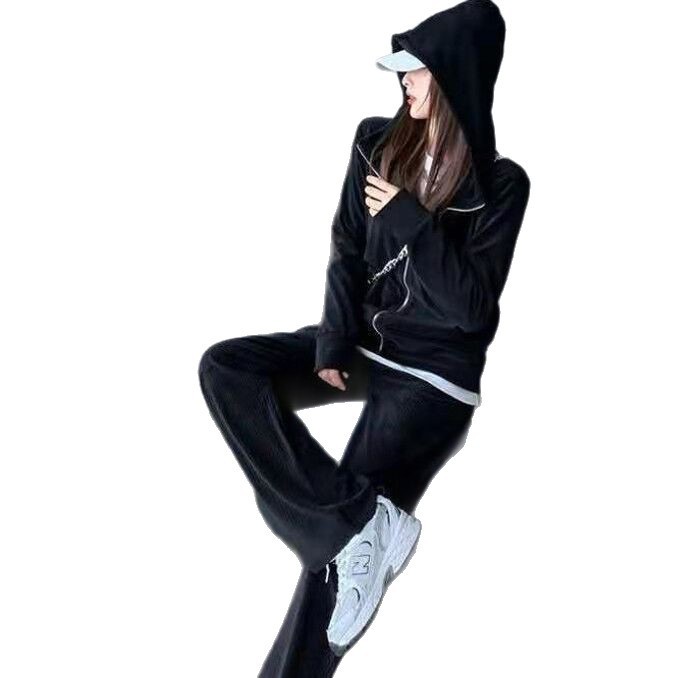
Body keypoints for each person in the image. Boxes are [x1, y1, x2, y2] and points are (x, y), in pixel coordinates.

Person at [197, 0, 531, 674]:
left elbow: (471, 312)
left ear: (455, 75)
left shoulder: (502, 184)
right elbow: (347, 246)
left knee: (331, 572)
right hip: (364, 345)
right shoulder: (375, 141)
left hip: (432, 380)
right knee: (227, 368)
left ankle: (349, 533)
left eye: (418, 70)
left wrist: (412, 221)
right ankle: (355, 525)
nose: (404, 80)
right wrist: (330, 343)